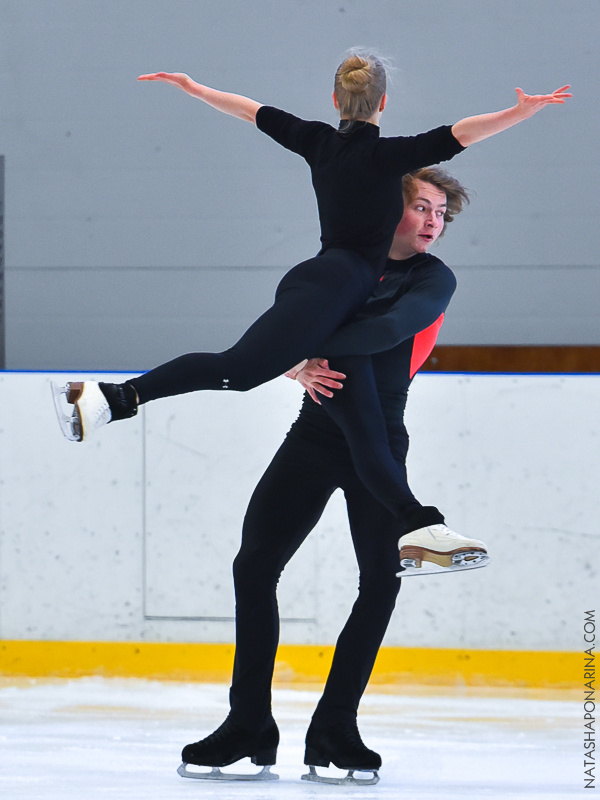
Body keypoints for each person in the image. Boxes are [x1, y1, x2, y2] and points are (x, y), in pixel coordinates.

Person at [51, 50, 570, 535]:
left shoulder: (316, 140)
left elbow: (253, 112)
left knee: (315, 403)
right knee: (239, 370)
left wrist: (195, 89)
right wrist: (521, 112)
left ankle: (419, 524)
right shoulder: (393, 157)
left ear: (334, 101)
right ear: (383, 103)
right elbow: (462, 134)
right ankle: (110, 398)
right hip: (336, 284)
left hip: (323, 279)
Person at [177, 166, 474, 785]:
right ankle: (248, 723)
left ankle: (336, 725)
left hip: (378, 437)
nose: (431, 221)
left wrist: (305, 350)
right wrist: (293, 359)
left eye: (440, 213)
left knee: (379, 579)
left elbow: (386, 329)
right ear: (386, 207)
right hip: (312, 436)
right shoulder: (345, 265)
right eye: (421, 206)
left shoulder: (432, 278)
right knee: (254, 566)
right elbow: (280, 329)